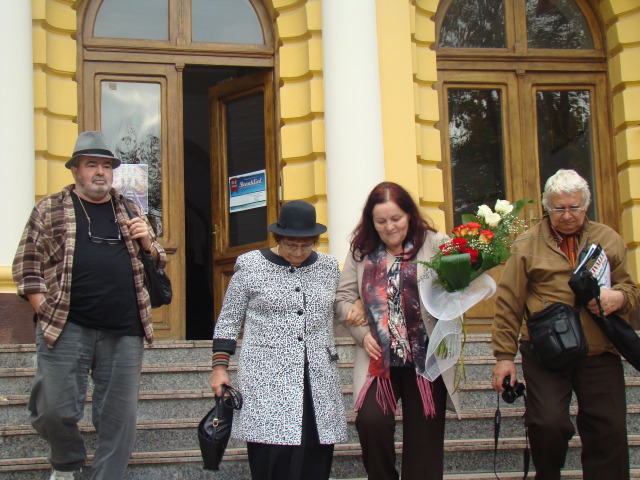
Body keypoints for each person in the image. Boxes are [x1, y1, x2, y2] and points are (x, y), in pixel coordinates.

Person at [12, 131, 166, 480]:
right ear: (75, 171)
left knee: (118, 418)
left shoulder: (130, 208)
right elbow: (27, 263)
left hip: (125, 329)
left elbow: (158, 259)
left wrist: (149, 243)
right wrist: (42, 307)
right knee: (51, 409)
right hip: (67, 325)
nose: (100, 172)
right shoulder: (49, 208)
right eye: (91, 165)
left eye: (106, 166)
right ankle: (67, 461)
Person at [491, 169, 639, 480]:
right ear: (547, 206)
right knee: (547, 424)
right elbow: (509, 301)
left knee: (609, 430)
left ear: (586, 206)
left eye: (575, 207)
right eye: (559, 208)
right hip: (546, 352)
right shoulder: (527, 243)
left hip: (599, 349)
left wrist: (619, 299)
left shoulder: (608, 239)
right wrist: (504, 357)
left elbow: (632, 290)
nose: (568, 215)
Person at [209, 200, 347, 480]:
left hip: (317, 379)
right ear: (278, 238)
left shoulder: (329, 267)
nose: (298, 252)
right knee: (272, 456)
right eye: (290, 245)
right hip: (266, 379)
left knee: (315, 451)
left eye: (306, 245)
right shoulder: (250, 265)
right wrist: (219, 367)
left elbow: (342, 307)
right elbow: (229, 318)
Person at [334, 181, 461, 480]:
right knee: (371, 423)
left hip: (425, 360)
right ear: (371, 222)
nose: (390, 227)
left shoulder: (438, 244)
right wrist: (361, 331)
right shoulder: (361, 252)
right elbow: (341, 299)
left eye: (396, 219)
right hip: (379, 359)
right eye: (381, 221)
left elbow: (454, 295)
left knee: (425, 444)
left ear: (410, 215)